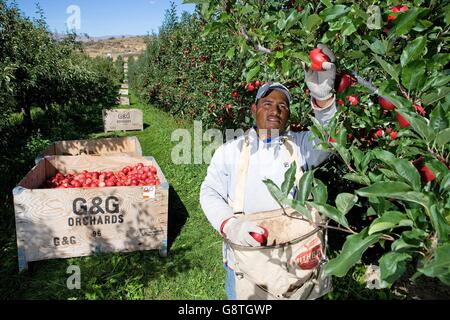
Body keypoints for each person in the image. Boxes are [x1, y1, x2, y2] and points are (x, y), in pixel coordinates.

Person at [199, 44, 337, 300]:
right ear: (254, 110)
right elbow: (209, 192)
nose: (275, 111)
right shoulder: (230, 151)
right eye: (267, 104)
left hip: (296, 257)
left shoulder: (300, 145)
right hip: (247, 260)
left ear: (289, 115)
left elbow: (329, 140)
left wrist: (324, 101)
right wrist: (230, 225)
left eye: (283, 106)